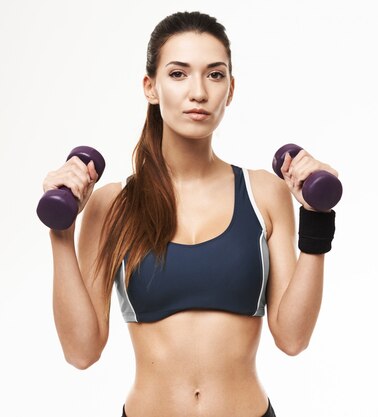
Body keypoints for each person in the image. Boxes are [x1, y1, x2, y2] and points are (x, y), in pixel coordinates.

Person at [43, 11, 338, 417]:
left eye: (214, 75)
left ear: (230, 90)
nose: (198, 92)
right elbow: (81, 351)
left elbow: (292, 338)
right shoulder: (112, 205)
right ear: (151, 87)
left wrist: (317, 219)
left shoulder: (263, 193)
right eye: (178, 74)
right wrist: (62, 232)